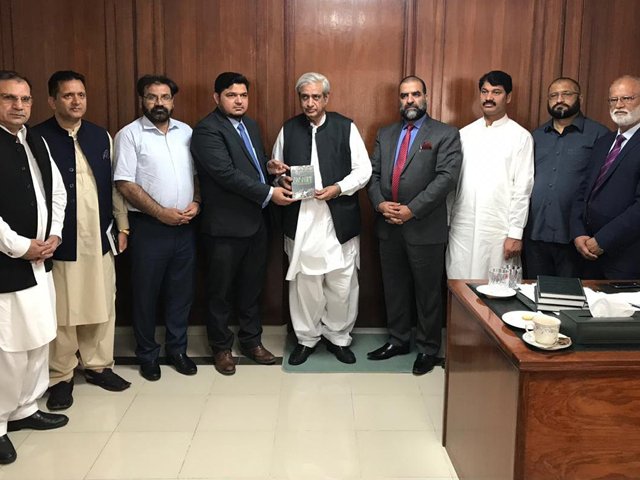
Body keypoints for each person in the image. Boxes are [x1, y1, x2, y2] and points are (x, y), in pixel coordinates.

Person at [33, 71, 131, 411]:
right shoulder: (37, 138)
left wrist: (123, 224)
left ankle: (99, 365)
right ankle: (60, 376)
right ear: (52, 101)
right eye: (68, 96)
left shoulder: (101, 135)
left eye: (81, 95)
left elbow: (115, 185)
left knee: (103, 302)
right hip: (61, 240)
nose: (76, 102)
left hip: (100, 235)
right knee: (63, 309)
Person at [190, 72, 292, 375]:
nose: (239, 101)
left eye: (243, 95)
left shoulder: (250, 124)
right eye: (232, 95)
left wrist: (269, 167)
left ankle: (251, 341)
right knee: (219, 291)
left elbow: (249, 164)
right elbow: (225, 174)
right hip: (224, 227)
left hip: (257, 222)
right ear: (216, 97)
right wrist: (269, 192)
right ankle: (221, 347)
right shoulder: (206, 130)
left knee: (252, 288)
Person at [270, 72, 371, 366]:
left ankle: (338, 337)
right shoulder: (288, 129)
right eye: (305, 97)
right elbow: (277, 170)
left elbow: (363, 171)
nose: (310, 103)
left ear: (326, 98)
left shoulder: (345, 127)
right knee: (305, 284)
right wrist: (281, 178)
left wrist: (338, 188)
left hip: (337, 218)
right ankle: (306, 338)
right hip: (301, 220)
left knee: (342, 283)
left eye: (316, 97)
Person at [367, 75, 462, 375]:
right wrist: (380, 204)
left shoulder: (445, 134)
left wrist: (412, 210)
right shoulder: (385, 133)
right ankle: (398, 340)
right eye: (404, 95)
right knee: (394, 288)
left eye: (415, 94)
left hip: (424, 227)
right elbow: (372, 174)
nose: (410, 100)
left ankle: (428, 348)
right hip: (388, 224)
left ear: (426, 97)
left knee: (427, 292)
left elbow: (446, 178)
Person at [0, 70, 68, 465]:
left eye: (24, 100)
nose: (19, 106)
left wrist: (54, 236)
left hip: (42, 259)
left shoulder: (34, 140)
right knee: (9, 348)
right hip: (11, 263)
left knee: (40, 336)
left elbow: (56, 191)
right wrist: (22, 247)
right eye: (10, 99)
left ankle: (26, 407)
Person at [114, 74, 200, 381]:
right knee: (145, 294)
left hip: (185, 226)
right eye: (152, 97)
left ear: (173, 101)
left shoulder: (187, 132)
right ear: (142, 100)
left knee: (181, 293)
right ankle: (147, 355)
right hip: (149, 227)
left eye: (165, 97)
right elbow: (124, 182)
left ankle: (177, 350)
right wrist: (160, 212)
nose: (159, 103)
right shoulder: (130, 135)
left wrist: (198, 202)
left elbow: (197, 173)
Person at [447, 70, 534, 279]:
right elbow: (452, 184)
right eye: (484, 92)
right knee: (459, 286)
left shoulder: (521, 137)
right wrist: (447, 221)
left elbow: (522, 189)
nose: (488, 98)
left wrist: (515, 234)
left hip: (498, 230)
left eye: (496, 92)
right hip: (462, 227)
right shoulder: (464, 134)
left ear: (509, 97)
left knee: (497, 292)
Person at [525, 77, 609, 278]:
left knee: (570, 302)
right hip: (536, 233)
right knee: (536, 299)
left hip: (576, 237)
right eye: (554, 95)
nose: (559, 99)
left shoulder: (599, 135)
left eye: (566, 94)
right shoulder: (536, 136)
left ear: (579, 97)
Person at [571, 75, 640, 279]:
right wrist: (578, 233)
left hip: (626, 258)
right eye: (613, 100)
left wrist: (603, 240)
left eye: (627, 98)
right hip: (587, 253)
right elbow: (583, 191)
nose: (619, 105)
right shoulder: (604, 142)